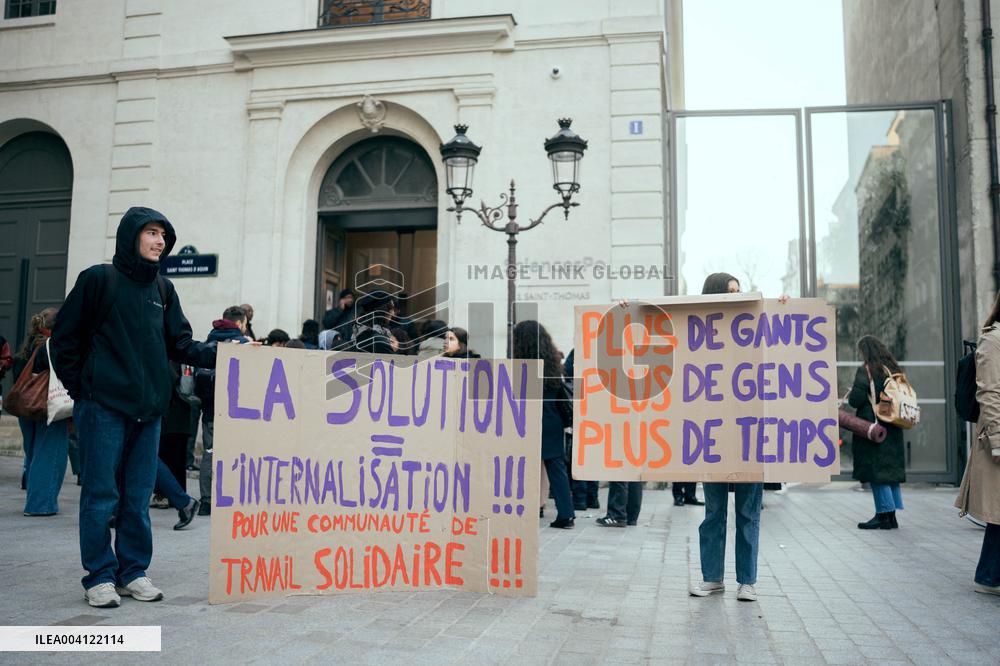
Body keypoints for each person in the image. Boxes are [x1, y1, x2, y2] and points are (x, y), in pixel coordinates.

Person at [51, 206, 217, 608]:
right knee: (101, 494)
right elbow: (64, 341)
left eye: (164, 235)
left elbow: (181, 343)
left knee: (138, 495)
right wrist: (86, 390)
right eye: (152, 233)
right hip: (103, 407)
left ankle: (133, 572)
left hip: (150, 411)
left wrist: (223, 354)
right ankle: (100, 576)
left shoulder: (163, 289)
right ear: (131, 236)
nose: (160, 241)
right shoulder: (98, 279)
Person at [690, 272, 763, 602]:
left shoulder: (756, 330)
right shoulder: (697, 335)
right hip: (714, 435)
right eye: (729, 292)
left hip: (750, 434)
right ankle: (712, 578)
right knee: (714, 512)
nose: (737, 296)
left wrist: (788, 310)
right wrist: (626, 312)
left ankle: (747, 581)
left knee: (749, 511)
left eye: (739, 291)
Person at [956, 291, 1000, 595]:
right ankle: (989, 575)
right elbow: (989, 393)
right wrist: (997, 439)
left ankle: (989, 574)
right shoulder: (994, 340)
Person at [513, 320, 575, 529]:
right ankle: (566, 514)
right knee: (557, 470)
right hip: (552, 421)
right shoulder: (552, 365)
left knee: (523, 467)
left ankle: (525, 508)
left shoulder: (520, 367)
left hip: (526, 422)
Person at [195, 306, 253, 515]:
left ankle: (206, 501)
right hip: (238, 411)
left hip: (210, 409)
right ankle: (231, 497)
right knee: (237, 454)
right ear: (239, 324)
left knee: (210, 453)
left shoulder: (207, 342)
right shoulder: (244, 344)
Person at [13, 307, 69, 516]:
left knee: (34, 454)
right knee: (51, 455)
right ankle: (41, 505)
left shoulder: (26, 347)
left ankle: (34, 500)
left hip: (26, 408)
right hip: (48, 407)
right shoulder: (51, 347)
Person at [848, 335, 906, 529]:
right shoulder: (893, 369)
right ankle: (891, 516)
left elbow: (855, 400)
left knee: (877, 472)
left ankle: (882, 515)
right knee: (889, 472)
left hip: (874, 428)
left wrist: (855, 393)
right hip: (894, 425)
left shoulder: (867, 370)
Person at [154, 361, 198, 529]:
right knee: (173, 459)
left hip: (169, 414)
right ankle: (180, 499)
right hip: (179, 415)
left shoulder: (168, 355)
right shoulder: (181, 357)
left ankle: (171, 497)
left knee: (158, 456)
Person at [563, 349, 599, 511]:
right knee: (593, 456)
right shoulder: (604, 352)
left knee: (580, 456)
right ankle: (593, 498)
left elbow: (568, 371)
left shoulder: (578, 351)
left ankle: (580, 499)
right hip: (598, 412)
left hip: (581, 410)